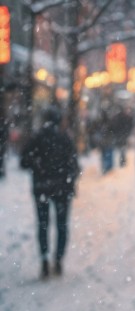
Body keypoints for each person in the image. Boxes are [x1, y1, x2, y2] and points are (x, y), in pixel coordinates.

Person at [20, 106, 80, 279]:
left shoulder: (36, 138)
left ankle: (45, 260)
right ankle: (59, 259)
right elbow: (74, 164)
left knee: (43, 224)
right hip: (62, 188)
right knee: (62, 225)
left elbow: (24, 161)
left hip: (42, 188)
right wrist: (68, 177)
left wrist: (39, 167)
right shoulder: (65, 139)